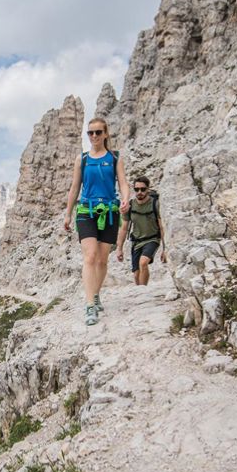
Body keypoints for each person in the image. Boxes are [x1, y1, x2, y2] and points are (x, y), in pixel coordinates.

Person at [64, 117, 129, 325]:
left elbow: (123, 183)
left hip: (110, 212)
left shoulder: (115, 158)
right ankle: (90, 305)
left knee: (102, 259)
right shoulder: (81, 159)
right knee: (90, 256)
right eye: (90, 133)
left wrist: (126, 198)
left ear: (106, 134)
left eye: (98, 132)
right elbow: (75, 188)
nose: (94, 136)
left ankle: (96, 294)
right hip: (86, 211)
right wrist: (67, 213)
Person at [116, 175, 166, 285]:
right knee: (136, 274)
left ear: (148, 189)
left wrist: (165, 249)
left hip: (152, 239)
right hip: (136, 242)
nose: (140, 192)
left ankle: (143, 290)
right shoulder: (129, 206)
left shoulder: (155, 204)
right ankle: (140, 290)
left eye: (143, 189)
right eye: (137, 189)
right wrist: (119, 248)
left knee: (143, 263)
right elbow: (124, 228)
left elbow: (162, 227)